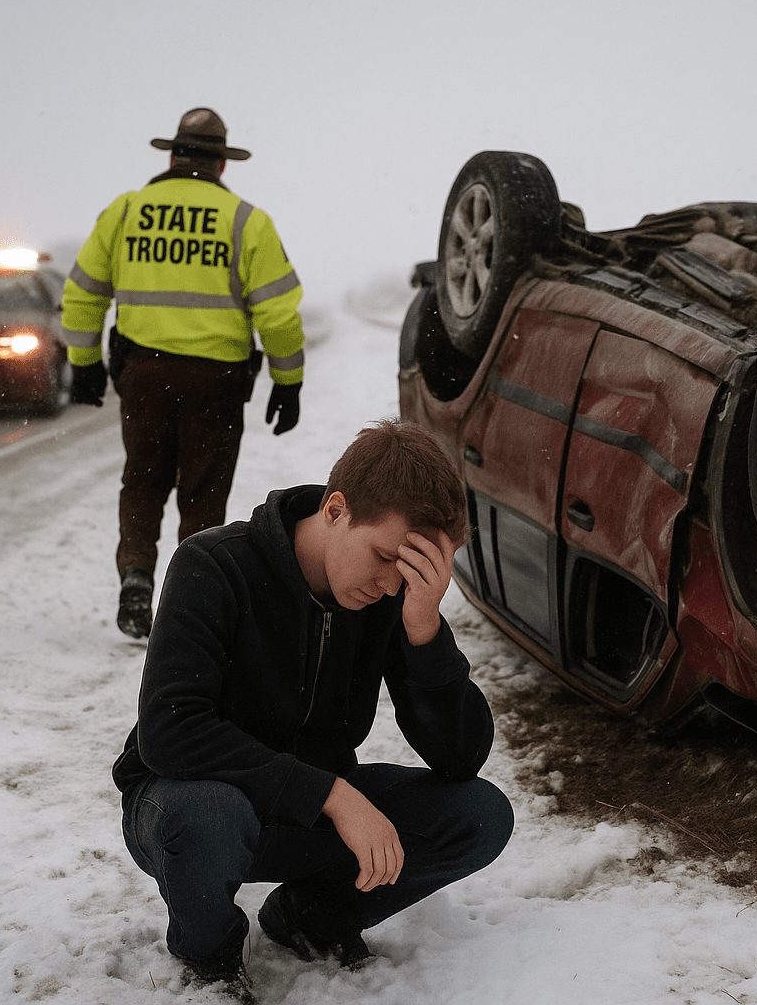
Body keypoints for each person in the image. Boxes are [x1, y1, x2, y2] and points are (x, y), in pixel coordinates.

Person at [113, 421, 513, 1000]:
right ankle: (212, 960)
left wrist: (425, 633)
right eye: (381, 557)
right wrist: (332, 795)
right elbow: (171, 732)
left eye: (407, 574)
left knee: (479, 815)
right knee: (209, 815)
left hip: (302, 817)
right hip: (187, 804)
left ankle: (308, 919)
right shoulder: (215, 565)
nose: (387, 584)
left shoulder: (389, 598)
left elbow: (460, 757)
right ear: (335, 509)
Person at [61, 107, 306, 639]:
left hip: (143, 377)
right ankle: (191, 598)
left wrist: (83, 365)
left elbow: (81, 293)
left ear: (172, 154)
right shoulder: (247, 221)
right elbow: (278, 314)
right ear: (221, 165)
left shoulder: (126, 212)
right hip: (216, 385)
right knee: (203, 493)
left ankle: (135, 578)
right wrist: (289, 379)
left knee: (143, 481)